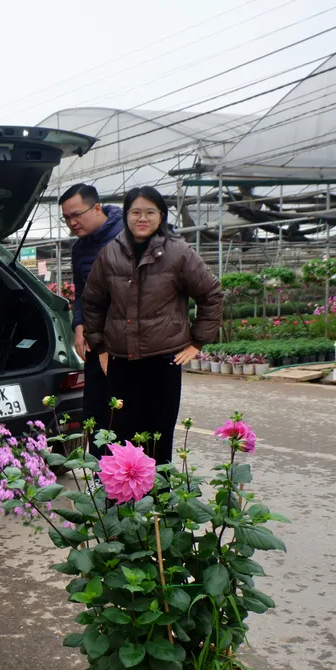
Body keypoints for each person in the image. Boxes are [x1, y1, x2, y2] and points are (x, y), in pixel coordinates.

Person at [82, 186, 223, 465]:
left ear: (161, 216)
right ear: (126, 215)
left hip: (162, 362)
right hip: (121, 362)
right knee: (120, 436)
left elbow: (211, 295)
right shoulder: (109, 254)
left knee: (158, 438)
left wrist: (196, 342)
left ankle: (159, 505)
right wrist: (98, 345)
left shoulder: (179, 253)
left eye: (150, 212)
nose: (142, 218)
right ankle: (122, 502)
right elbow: (92, 302)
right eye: (135, 212)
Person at [59, 184, 124, 440]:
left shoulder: (126, 236)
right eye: (66, 217)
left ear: (97, 208)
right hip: (96, 342)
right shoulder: (79, 249)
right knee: (95, 413)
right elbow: (81, 294)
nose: (72, 222)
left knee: (122, 413)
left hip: (125, 341)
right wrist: (78, 327)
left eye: (77, 214)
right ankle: (100, 475)